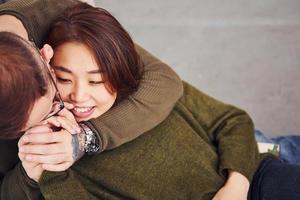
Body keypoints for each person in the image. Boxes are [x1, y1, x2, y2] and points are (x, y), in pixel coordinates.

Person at [16, 3, 300, 200]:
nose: (79, 96)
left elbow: (232, 121)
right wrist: (49, 172)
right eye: (64, 80)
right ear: (49, 72)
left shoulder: (145, 93)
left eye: (96, 80)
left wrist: (235, 187)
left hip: (252, 177)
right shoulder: (52, 145)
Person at [0, 0, 183, 199]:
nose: (56, 118)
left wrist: (86, 138)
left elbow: (163, 79)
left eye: (55, 104)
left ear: (46, 55)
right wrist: (28, 175)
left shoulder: (60, 12)